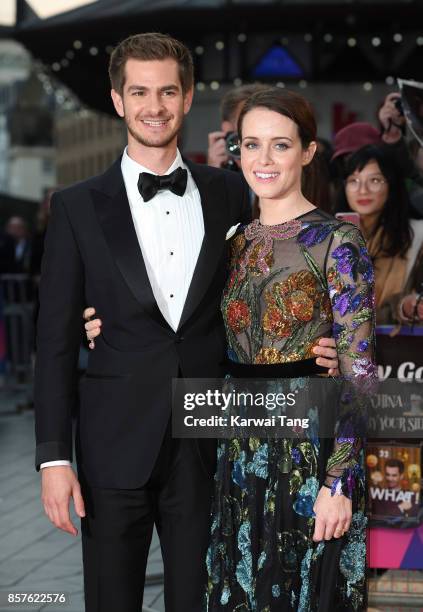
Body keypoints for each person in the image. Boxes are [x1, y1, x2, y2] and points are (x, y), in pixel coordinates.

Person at [35, 34, 340, 612]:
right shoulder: (75, 206)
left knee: (201, 602)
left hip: (209, 443)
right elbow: (51, 340)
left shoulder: (231, 191)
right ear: (118, 100)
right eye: (140, 92)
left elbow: (271, 277)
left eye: (168, 91)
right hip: (112, 443)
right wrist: (53, 459)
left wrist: (315, 343)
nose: (155, 105)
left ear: (188, 96)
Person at [204, 88, 376, 610]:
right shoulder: (231, 239)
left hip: (310, 453)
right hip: (239, 449)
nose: (263, 159)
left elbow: (361, 372)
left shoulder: (336, 241)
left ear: (307, 151)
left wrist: (339, 481)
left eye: (280, 145)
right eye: (250, 145)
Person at [336, 144, 423, 324]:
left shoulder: (417, 236)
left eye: (374, 180)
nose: (363, 190)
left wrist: (405, 306)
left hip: (397, 346)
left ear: (391, 185)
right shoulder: (330, 236)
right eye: (354, 181)